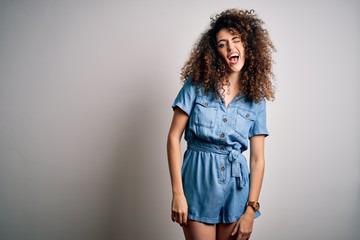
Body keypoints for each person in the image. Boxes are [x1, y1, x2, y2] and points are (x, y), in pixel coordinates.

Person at [167, 9, 275, 240]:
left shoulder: (256, 99)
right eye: (222, 44)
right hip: (197, 186)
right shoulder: (196, 85)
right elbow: (173, 138)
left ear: (248, 46)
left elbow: (257, 159)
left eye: (236, 41)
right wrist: (177, 193)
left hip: (236, 192)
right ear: (215, 52)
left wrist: (250, 209)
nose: (230, 48)